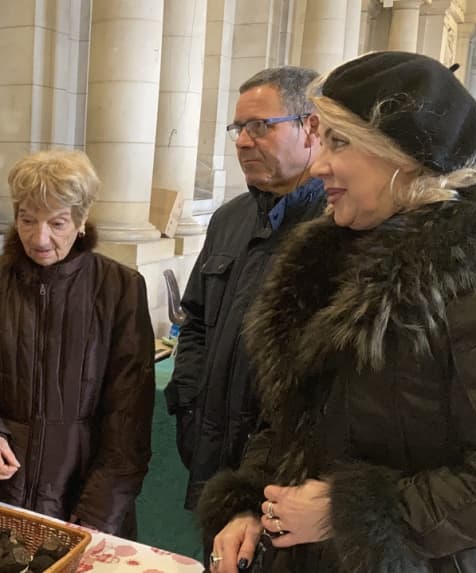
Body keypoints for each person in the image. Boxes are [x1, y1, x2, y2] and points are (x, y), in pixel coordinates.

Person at [200, 51, 476, 573]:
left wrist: (351, 512)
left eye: (338, 142)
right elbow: (290, 418)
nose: (318, 166)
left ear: (404, 156)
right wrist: (250, 504)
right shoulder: (327, 254)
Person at [0, 149, 155, 539]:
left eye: (57, 223)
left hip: (84, 491)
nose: (39, 238)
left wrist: (96, 514)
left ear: (82, 219)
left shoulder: (120, 288)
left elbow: (129, 416)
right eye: (27, 220)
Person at [166, 66, 325, 511]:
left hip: (287, 473)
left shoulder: (338, 227)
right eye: (238, 128)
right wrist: (189, 403)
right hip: (212, 452)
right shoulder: (229, 219)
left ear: (310, 128)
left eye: (260, 127)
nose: (241, 141)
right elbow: (194, 319)